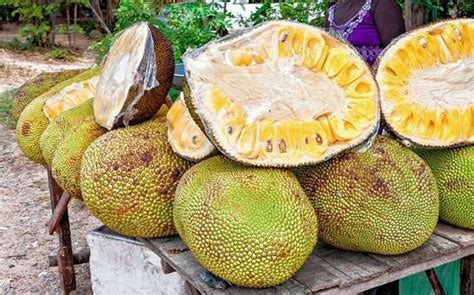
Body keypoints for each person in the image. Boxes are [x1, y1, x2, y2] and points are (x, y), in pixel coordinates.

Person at [326, 0, 406, 66]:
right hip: (338, 83)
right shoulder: (331, 13)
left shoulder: (381, 3)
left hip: (375, 83)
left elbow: (398, 57)